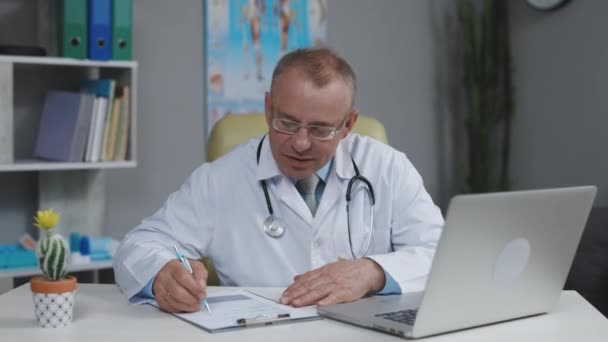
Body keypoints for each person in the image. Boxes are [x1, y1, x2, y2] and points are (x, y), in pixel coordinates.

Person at [113, 47, 444, 313]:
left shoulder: (387, 168)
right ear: (269, 109)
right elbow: (138, 246)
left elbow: (442, 254)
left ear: (348, 124)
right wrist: (161, 274)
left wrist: (373, 272)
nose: (300, 143)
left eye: (319, 129)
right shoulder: (220, 180)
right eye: (287, 123)